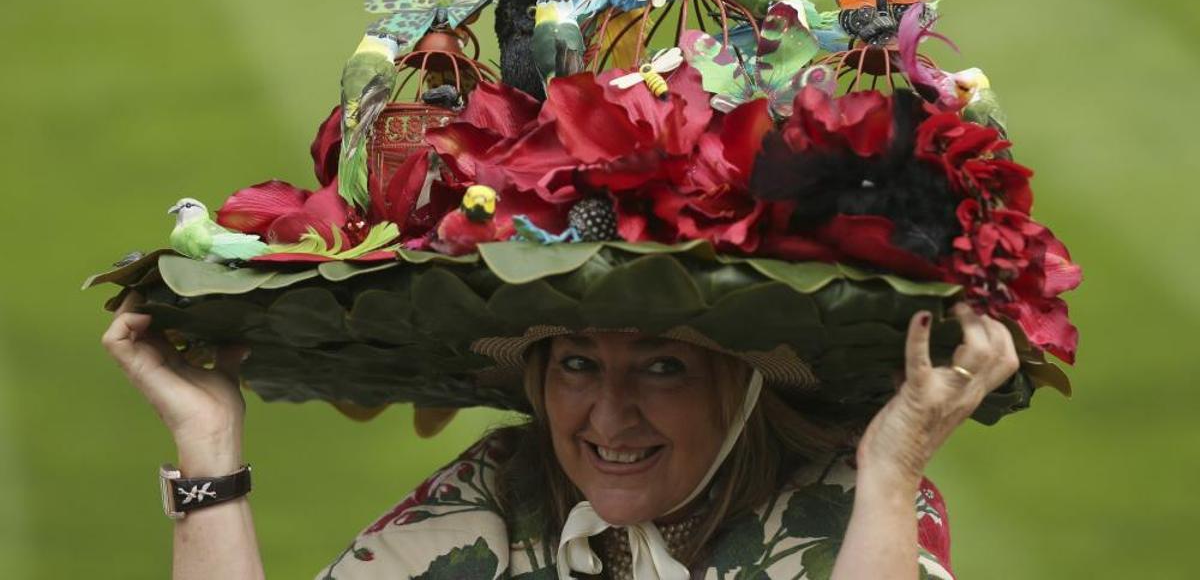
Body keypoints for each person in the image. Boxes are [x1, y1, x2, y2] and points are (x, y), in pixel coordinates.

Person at [103, 283, 1019, 579]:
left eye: (663, 366)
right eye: (578, 363)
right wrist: (209, 448)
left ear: (742, 387)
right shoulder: (504, 489)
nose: (609, 417)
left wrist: (894, 465)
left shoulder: (851, 511)